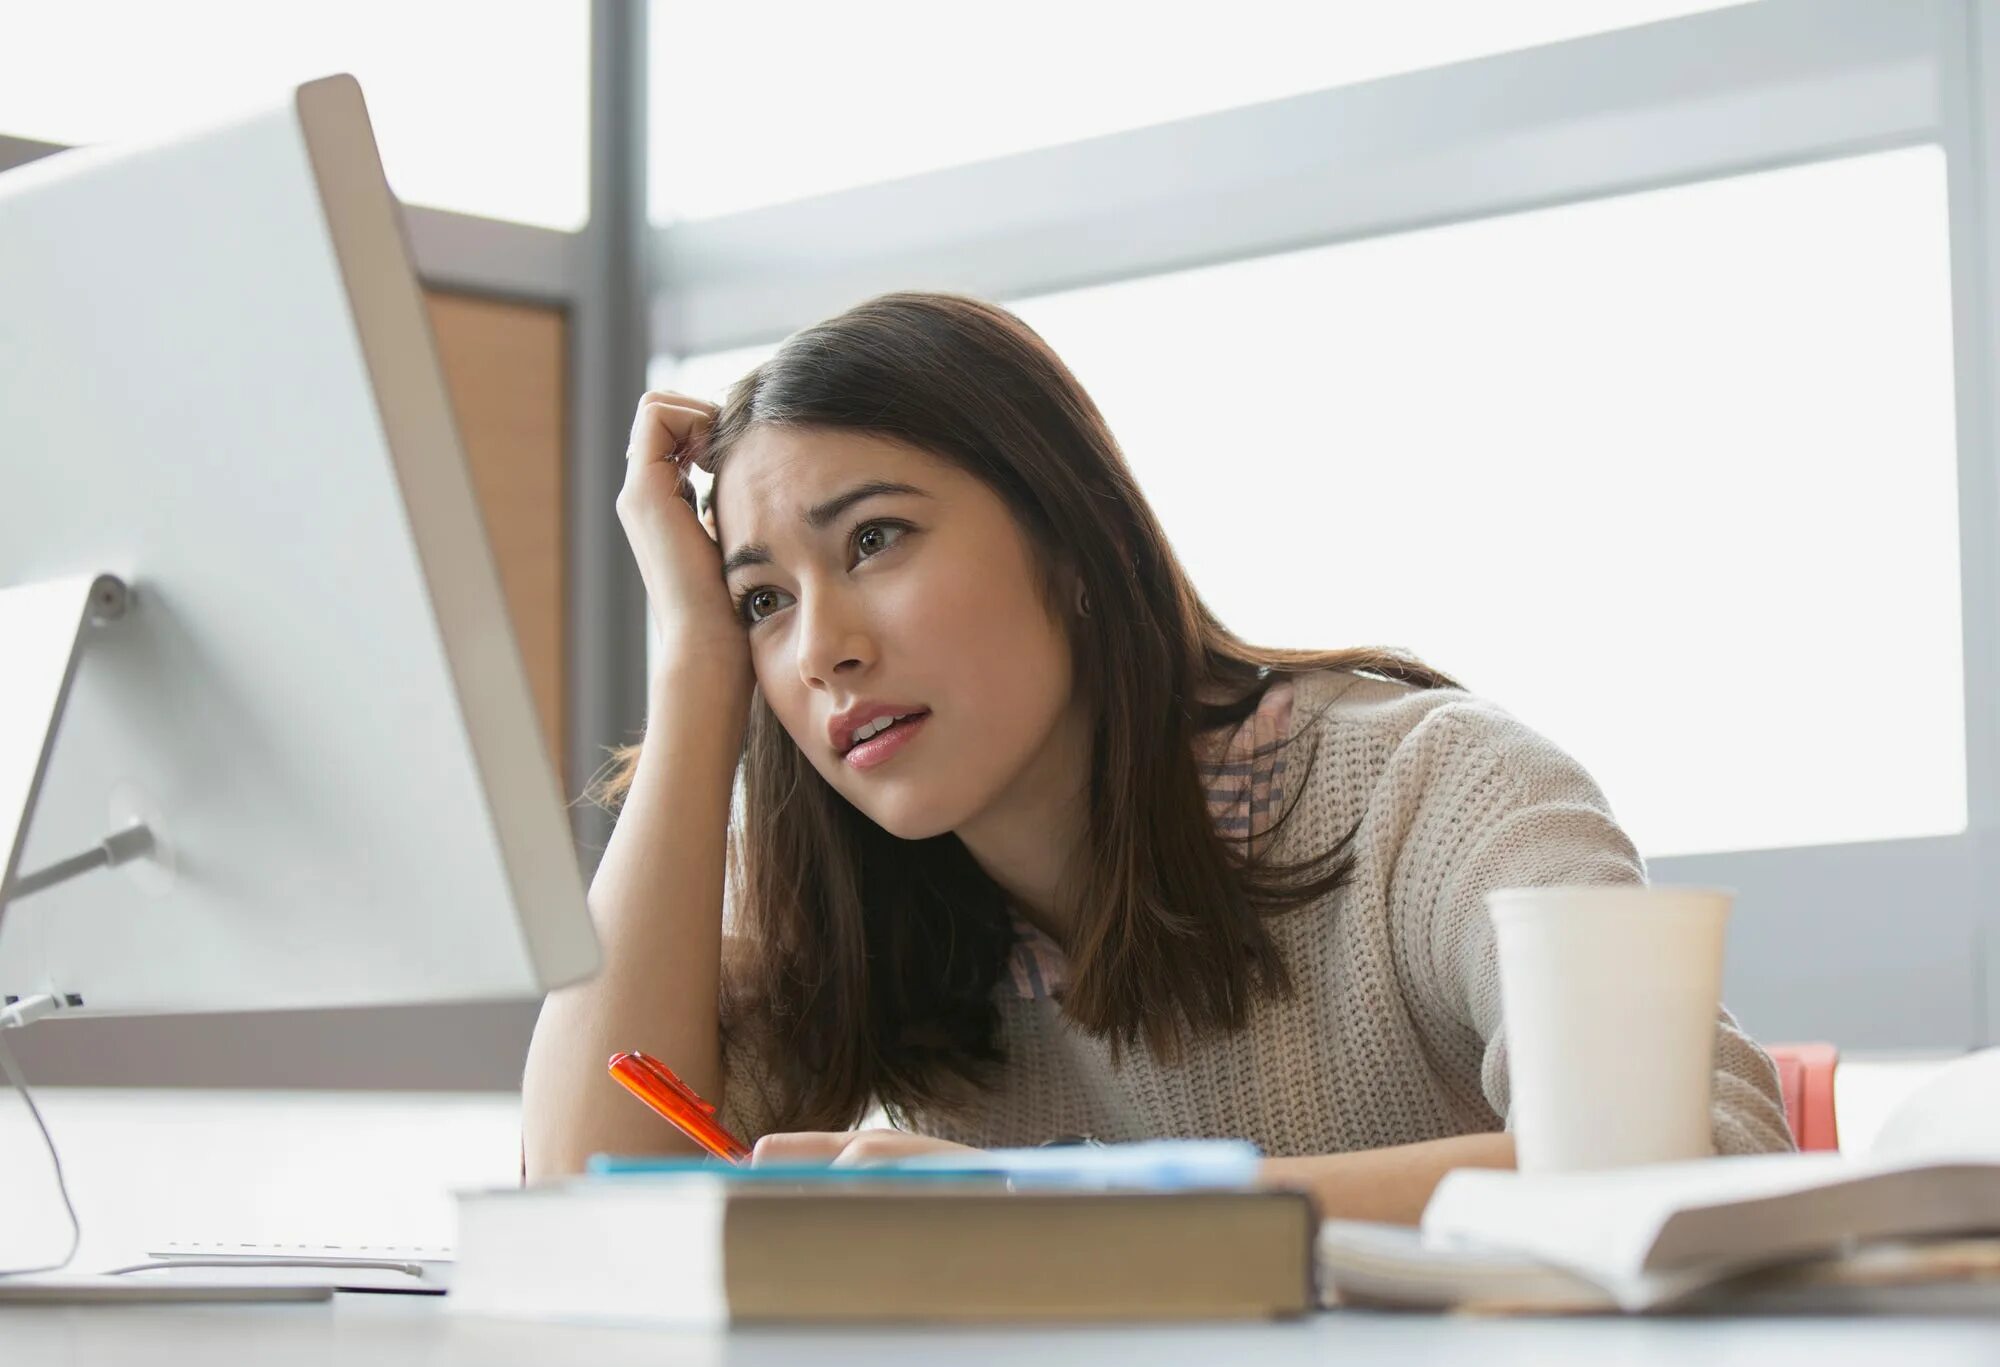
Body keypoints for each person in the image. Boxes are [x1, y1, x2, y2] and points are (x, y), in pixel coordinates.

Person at [519, 291, 1794, 1222]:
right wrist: (693, 678)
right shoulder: (853, 911)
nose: (821, 653)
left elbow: (1696, 1165)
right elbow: (576, 1214)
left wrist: (1053, 1204)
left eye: (873, 541)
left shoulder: (1432, 790)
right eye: (762, 603)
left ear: (1071, 548)